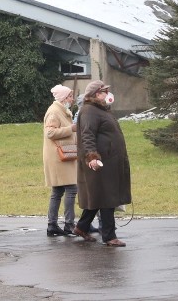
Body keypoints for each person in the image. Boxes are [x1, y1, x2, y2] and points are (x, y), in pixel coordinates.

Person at [72, 80, 131, 247]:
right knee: (107, 199)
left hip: (110, 161)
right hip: (100, 162)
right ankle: (109, 236)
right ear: (97, 94)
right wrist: (92, 157)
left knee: (98, 196)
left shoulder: (101, 110)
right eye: (105, 91)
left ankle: (81, 227)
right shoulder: (89, 111)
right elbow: (87, 136)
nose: (108, 94)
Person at [43, 84, 78, 236]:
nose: (72, 99)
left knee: (57, 190)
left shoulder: (61, 110)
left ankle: (52, 225)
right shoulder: (54, 112)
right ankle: (69, 224)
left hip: (61, 155)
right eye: (70, 96)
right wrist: (71, 129)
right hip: (59, 156)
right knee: (71, 188)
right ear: (63, 98)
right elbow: (50, 133)